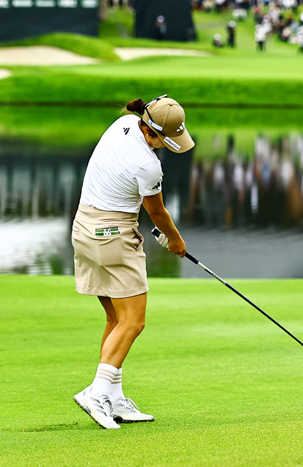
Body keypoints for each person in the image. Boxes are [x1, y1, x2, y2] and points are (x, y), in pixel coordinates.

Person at [71, 95, 194, 430]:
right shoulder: (148, 165)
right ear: (154, 133)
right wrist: (176, 240)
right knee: (133, 322)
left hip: (84, 229)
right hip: (113, 237)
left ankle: (113, 397)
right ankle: (97, 394)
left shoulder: (123, 123)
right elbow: (157, 212)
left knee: (116, 318)